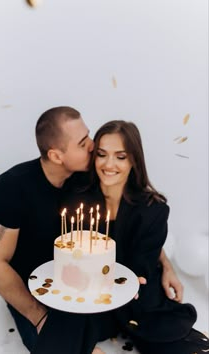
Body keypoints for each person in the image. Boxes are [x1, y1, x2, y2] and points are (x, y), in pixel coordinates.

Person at [0, 107, 183, 354]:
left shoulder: (83, 178)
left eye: (88, 136)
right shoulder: (12, 188)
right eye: (83, 142)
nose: (91, 145)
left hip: (85, 283)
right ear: (57, 156)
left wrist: (165, 264)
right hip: (37, 292)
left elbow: (130, 219)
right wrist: (39, 317)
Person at [63, 119, 208, 354]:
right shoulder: (77, 198)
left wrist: (165, 265)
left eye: (120, 156)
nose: (109, 164)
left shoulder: (154, 209)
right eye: (101, 154)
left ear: (134, 160)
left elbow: (140, 267)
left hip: (137, 295)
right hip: (89, 296)